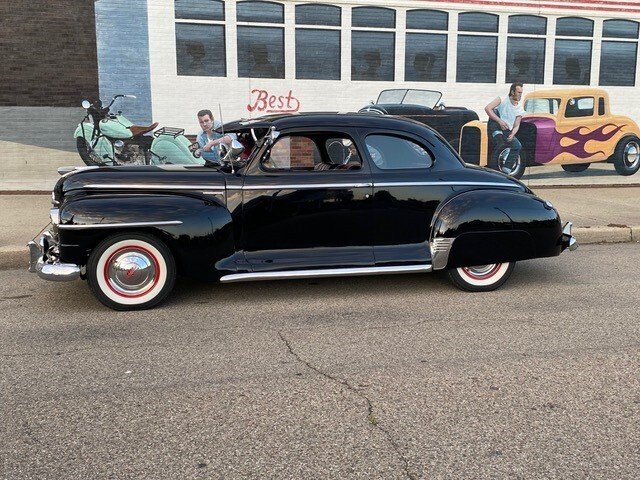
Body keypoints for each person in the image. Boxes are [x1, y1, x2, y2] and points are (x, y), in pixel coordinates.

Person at [484, 83, 525, 170]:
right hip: (495, 126)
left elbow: (516, 125)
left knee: (517, 145)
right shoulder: (502, 99)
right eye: (518, 92)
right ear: (512, 92)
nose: (520, 95)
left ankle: (507, 168)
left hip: (507, 130)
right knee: (501, 142)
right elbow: (488, 108)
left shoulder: (520, 109)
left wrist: (512, 134)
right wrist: (500, 121)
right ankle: (493, 167)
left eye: (521, 92)